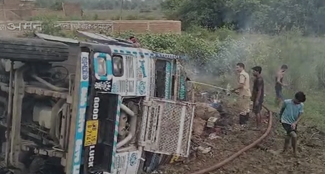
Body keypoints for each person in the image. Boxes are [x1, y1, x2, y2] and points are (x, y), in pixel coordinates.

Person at [279, 91, 306, 157]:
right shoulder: (287, 102)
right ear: (295, 98)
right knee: (294, 136)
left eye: (300, 102)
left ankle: (284, 150)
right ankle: (295, 152)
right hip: (285, 121)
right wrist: (280, 118)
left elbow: (300, 115)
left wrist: (295, 123)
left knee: (288, 136)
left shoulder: (301, 105)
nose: (299, 103)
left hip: (293, 122)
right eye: (298, 101)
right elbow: (282, 110)